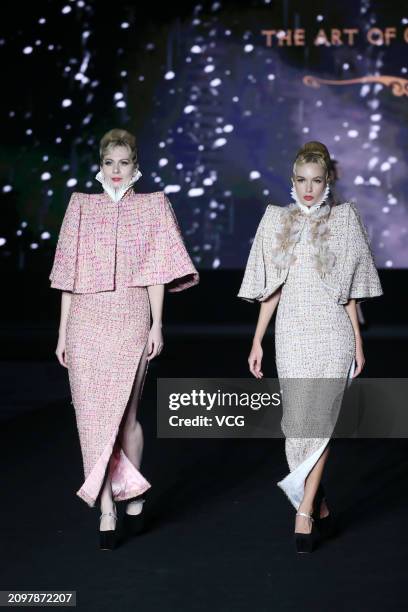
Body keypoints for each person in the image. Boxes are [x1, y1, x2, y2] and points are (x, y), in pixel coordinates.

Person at [50, 128, 199, 550]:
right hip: (85, 319)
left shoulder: (153, 207)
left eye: (125, 163)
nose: (117, 171)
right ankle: (107, 507)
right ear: (101, 165)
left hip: (131, 315)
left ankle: (131, 496)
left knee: (127, 415)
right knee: (91, 417)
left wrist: (157, 324)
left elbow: (157, 271)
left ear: (137, 166)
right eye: (110, 162)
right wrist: (62, 332)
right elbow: (67, 275)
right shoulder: (81, 206)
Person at [238, 141, 382, 553]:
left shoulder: (345, 221)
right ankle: (318, 507)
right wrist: (256, 340)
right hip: (292, 332)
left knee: (321, 423)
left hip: (332, 331)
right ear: (292, 180)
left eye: (316, 181)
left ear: (327, 182)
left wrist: (357, 340)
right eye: (301, 180)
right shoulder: (276, 222)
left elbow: (351, 292)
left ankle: (303, 511)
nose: (308, 188)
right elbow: (271, 290)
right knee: (296, 426)